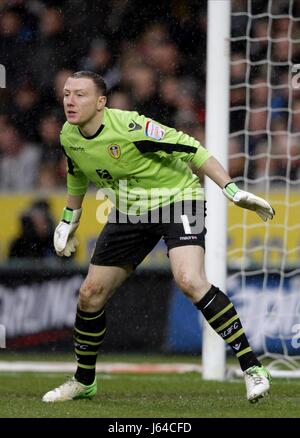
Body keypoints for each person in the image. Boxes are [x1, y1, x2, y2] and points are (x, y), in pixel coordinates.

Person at [42, 71, 274, 403]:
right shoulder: (69, 135)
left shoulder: (131, 128)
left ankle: (253, 368)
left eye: (80, 94)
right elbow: (77, 171)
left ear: (101, 102)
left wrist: (231, 190)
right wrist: (69, 219)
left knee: (190, 280)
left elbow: (194, 149)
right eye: (67, 93)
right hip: (129, 208)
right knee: (90, 294)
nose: (70, 101)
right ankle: (83, 381)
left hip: (177, 199)